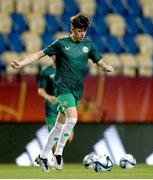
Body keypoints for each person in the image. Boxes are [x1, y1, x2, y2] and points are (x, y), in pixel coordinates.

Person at [11, 13, 113, 172]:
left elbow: (99, 62)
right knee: (72, 120)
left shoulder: (89, 46)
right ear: (72, 29)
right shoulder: (61, 44)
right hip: (62, 89)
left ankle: (43, 156)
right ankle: (57, 154)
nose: (82, 33)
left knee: (59, 126)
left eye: (84, 30)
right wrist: (22, 63)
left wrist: (105, 66)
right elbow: (39, 54)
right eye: (79, 30)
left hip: (77, 91)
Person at [38, 57, 74, 157]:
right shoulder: (46, 71)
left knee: (69, 138)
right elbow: (40, 90)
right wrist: (49, 98)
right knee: (55, 135)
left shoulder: (67, 70)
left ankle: (56, 154)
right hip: (51, 108)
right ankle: (56, 159)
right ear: (52, 56)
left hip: (65, 106)